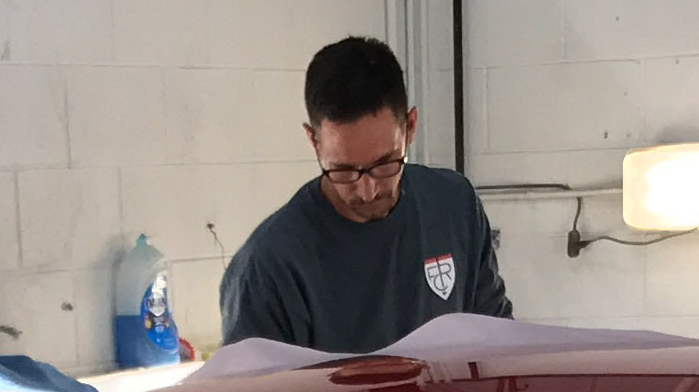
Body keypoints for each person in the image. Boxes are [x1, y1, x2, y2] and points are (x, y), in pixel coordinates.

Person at [219, 38, 511, 354]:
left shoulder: (454, 205)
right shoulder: (269, 267)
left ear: (410, 127)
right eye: (343, 170)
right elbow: (254, 384)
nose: (367, 190)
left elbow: (497, 341)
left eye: (385, 164)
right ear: (314, 142)